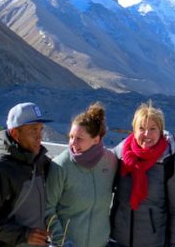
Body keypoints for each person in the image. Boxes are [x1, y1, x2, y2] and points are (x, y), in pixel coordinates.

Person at [0, 102, 52, 246]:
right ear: (15, 133)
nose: (40, 136)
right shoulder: (1, 168)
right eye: (33, 130)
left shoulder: (40, 162)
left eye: (41, 130)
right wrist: (24, 235)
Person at [109, 102, 175, 247]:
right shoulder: (120, 156)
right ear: (134, 131)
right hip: (117, 240)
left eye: (153, 129)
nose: (147, 134)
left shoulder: (168, 162)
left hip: (152, 242)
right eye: (141, 128)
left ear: (161, 131)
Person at [45, 102, 118, 246]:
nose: (72, 143)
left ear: (96, 139)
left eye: (79, 138)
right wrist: (62, 241)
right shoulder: (60, 166)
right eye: (71, 137)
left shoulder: (110, 162)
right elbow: (47, 208)